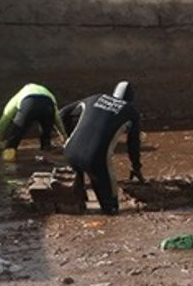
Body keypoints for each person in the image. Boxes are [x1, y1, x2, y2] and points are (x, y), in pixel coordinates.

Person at [60, 81, 143, 216]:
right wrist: (136, 167)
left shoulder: (96, 98)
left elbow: (62, 114)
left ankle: (80, 208)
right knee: (111, 209)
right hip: (96, 158)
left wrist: (69, 137)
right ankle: (110, 222)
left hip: (70, 151)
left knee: (78, 197)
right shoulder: (130, 111)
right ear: (130, 99)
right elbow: (133, 144)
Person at [0, 83, 67, 161]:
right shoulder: (49, 93)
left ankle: (8, 161)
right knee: (46, 138)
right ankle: (46, 154)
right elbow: (57, 119)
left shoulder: (19, 94)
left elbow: (4, 120)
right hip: (48, 105)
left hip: (28, 104)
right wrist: (64, 136)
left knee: (14, 138)